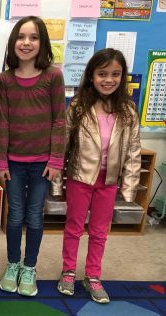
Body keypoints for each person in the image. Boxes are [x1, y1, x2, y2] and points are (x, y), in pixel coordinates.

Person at [55, 48, 141, 303]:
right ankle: (68, 271)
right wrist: (58, 183)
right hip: (80, 177)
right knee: (73, 227)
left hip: (109, 181)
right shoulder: (79, 106)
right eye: (102, 73)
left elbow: (134, 150)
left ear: (122, 76)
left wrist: (129, 187)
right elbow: (63, 146)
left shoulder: (128, 110)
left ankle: (93, 275)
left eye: (115, 74)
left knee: (100, 231)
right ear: (91, 75)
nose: (108, 79)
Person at [0, 16, 66, 297]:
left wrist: (56, 160)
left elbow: (60, 121)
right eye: (21, 37)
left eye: (34, 37)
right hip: (12, 162)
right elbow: (2, 122)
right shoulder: (5, 80)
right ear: (13, 42)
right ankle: (13, 264)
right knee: (15, 218)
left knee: (35, 216)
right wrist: (0, 161)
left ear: (42, 42)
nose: (27, 43)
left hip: (42, 164)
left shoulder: (53, 76)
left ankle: (30, 267)